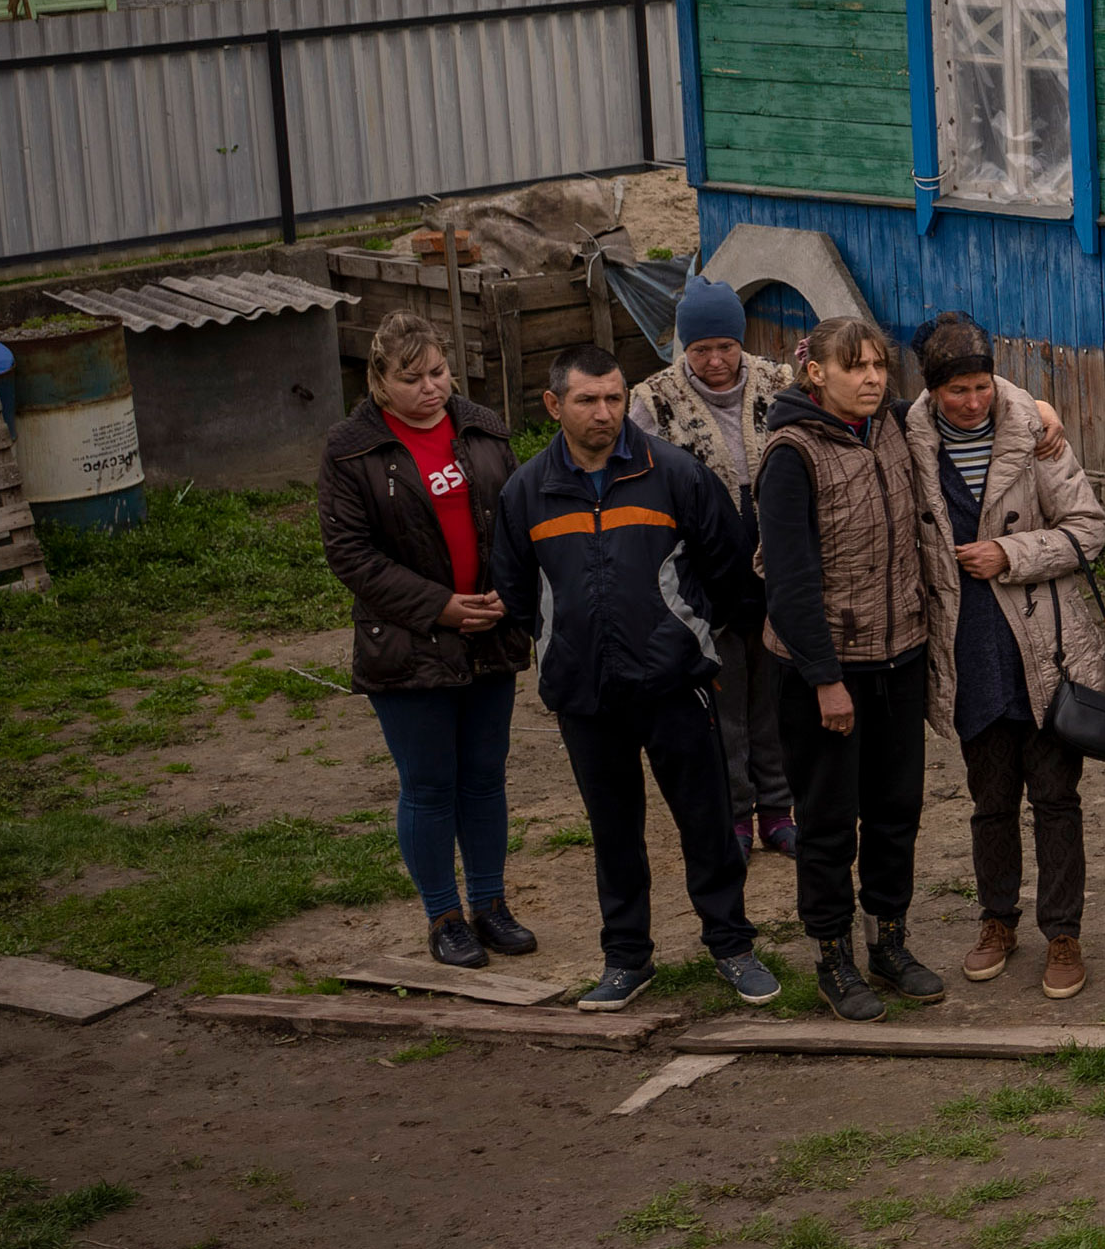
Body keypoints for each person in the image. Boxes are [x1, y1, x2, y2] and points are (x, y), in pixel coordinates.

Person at [495, 343, 776, 1010]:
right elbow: (511, 590)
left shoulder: (677, 475)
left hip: (675, 686)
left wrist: (693, 648)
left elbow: (732, 573)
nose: (604, 412)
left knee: (707, 822)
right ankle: (626, 958)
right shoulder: (526, 491)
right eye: (588, 400)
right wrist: (560, 651)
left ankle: (732, 946)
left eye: (614, 398)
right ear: (554, 404)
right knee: (613, 830)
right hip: (584, 696)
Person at [906, 315, 1105, 1000]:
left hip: (1044, 647)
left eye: (981, 385)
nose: (973, 402)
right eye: (956, 391)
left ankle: (1064, 932)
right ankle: (998, 920)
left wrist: (1013, 553)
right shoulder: (906, 444)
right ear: (931, 388)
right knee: (990, 800)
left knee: (1056, 796)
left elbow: (1091, 528)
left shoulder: (1033, 431)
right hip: (967, 651)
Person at [755, 316, 958, 1022]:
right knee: (829, 819)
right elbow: (789, 579)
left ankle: (889, 941)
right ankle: (833, 955)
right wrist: (824, 678)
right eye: (855, 367)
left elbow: (973, 394)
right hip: (824, 672)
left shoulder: (895, 429)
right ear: (816, 373)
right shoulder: (792, 453)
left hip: (897, 657)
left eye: (878, 364)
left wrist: (1045, 411)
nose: (873, 377)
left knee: (897, 809)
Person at [319, 312, 537, 969]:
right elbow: (351, 554)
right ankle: (443, 916)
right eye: (411, 378)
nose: (430, 388)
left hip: (489, 633)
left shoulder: (483, 428)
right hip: (409, 642)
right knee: (429, 782)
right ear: (379, 383)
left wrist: (507, 588)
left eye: (438, 371)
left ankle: (491, 906)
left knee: (484, 776)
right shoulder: (351, 451)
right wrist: (438, 607)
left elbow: (522, 513)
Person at [626, 279, 794, 858]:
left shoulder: (781, 382)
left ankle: (779, 808)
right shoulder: (651, 401)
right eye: (701, 350)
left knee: (773, 695)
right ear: (683, 349)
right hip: (704, 573)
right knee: (724, 702)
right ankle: (736, 815)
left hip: (778, 566)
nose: (716, 362)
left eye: (725, 346)